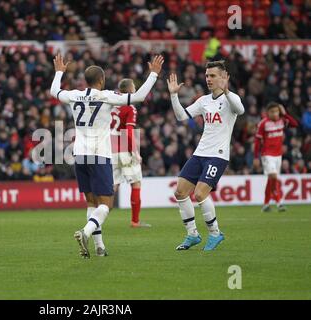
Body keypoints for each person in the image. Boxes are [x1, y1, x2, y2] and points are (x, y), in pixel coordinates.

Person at [50, 53, 163, 258]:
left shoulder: (74, 95)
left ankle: (99, 247)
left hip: (80, 154)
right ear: (101, 80)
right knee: (106, 204)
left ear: (86, 81)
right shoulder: (106, 96)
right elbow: (138, 97)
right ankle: (85, 232)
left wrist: (59, 71)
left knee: (91, 203)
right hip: (100, 155)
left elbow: (54, 91)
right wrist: (153, 75)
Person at [167, 60, 245, 251]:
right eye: (207, 75)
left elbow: (240, 110)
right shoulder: (203, 101)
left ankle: (215, 233)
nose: (208, 79)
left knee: (200, 193)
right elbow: (181, 117)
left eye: (213, 75)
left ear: (223, 77)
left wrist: (226, 91)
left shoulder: (230, 98)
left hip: (218, 155)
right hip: (200, 153)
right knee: (180, 192)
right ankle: (192, 234)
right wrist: (174, 95)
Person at [110, 78, 150, 228]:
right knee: (136, 183)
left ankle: (97, 217)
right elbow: (128, 132)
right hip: (124, 150)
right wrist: (135, 152)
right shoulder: (130, 107)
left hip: (110, 149)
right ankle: (135, 221)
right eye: (134, 86)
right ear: (130, 90)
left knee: (113, 186)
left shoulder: (112, 105)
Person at [254, 102, 299, 212]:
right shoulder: (263, 123)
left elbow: (295, 124)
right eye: (272, 112)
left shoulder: (282, 120)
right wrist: (256, 157)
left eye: (276, 111)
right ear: (267, 113)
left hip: (278, 155)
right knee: (274, 177)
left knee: (271, 180)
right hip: (267, 154)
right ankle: (279, 202)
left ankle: (266, 204)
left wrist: (285, 114)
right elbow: (257, 141)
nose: (275, 114)